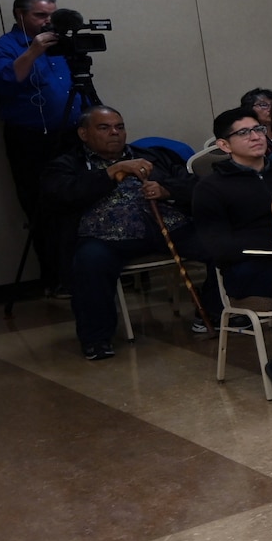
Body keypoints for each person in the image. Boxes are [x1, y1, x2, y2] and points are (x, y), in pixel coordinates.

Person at [41, 106, 204, 360]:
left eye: (119, 127)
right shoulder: (66, 165)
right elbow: (62, 196)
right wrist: (110, 173)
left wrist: (166, 190)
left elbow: (194, 186)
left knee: (221, 245)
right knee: (88, 262)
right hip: (106, 236)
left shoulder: (153, 156)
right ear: (84, 133)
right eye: (104, 128)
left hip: (167, 226)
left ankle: (212, 313)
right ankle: (96, 338)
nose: (115, 133)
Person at [194, 105, 272, 400]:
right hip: (246, 269)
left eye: (258, 129)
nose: (256, 136)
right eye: (244, 133)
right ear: (224, 145)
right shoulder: (211, 187)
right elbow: (216, 246)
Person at [0, 0, 94, 291]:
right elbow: (4, 82)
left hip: (73, 134)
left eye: (51, 15)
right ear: (20, 15)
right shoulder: (6, 46)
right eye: (40, 15)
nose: (47, 22)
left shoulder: (61, 43)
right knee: (43, 206)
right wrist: (33, 52)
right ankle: (56, 279)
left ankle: (90, 271)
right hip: (31, 139)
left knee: (83, 199)